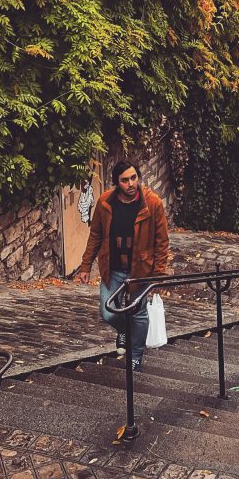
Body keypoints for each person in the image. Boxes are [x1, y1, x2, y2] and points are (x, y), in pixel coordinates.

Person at [76, 159, 170, 371]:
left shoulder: (152, 203)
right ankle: (125, 331)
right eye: (125, 180)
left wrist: (158, 274)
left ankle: (135, 355)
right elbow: (96, 235)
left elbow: (162, 241)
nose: (131, 184)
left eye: (134, 178)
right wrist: (85, 266)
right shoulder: (105, 202)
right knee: (108, 312)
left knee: (139, 313)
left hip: (140, 270)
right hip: (113, 268)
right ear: (117, 183)